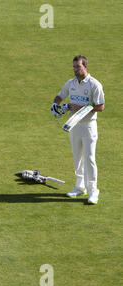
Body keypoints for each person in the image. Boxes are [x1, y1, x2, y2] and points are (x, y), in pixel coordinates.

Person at [51, 55, 105, 204]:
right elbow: (59, 96)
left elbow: (100, 107)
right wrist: (55, 105)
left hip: (88, 126)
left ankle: (93, 191)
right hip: (74, 125)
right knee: (77, 157)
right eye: (74, 67)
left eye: (78, 67)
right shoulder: (71, 83)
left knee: (89, 158)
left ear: (85, 67)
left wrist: (81, 108)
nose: (75, 69)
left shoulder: (95, 85)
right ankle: (80, 187)